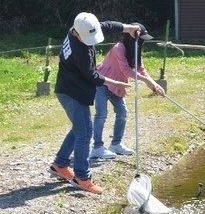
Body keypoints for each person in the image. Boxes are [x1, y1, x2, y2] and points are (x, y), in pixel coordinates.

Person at [50, 12, 143, 194]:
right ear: (77, 34)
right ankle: (82, 177)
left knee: (79, 128)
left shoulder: (81, 27)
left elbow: (107, 25)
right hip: (71, 93)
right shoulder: (80, 50)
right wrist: (116, 82)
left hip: (70, 89)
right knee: (85, 131)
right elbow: (92, 76)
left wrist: (128, 27)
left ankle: (60, 164)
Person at [90, 23, 165, 161]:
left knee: (122, 113)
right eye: (141, 38)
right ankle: (97, 147)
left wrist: (154, 84)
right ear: (132, 37)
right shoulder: (119, 48)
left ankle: (116, 144)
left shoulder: (135, 51)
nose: (142, 41)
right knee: (101, 115)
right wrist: (146, 81)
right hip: (103, 83)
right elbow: (126, 71)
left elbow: (141, 70)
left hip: (118, 85)